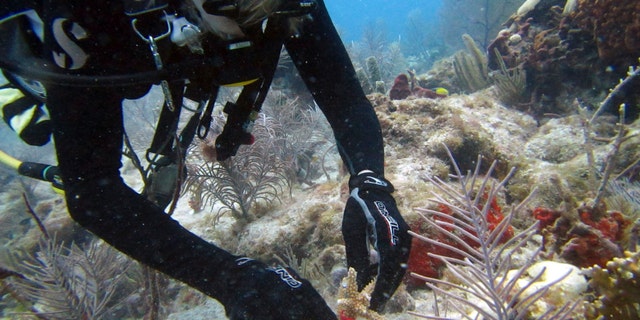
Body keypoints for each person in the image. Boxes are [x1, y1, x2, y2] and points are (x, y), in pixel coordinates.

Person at [0, 1, 411, 319]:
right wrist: (229, 277)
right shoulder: (83, 13)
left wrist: (371, 183)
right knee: (42, 127)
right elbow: (91, 191)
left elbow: (345, 101)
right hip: (91, 49)